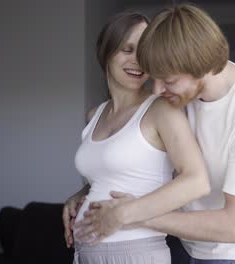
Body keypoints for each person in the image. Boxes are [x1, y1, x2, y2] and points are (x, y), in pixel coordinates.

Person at [72, 3, 235, 264]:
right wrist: (84, 197)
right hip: (182, 240)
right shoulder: (181, 87)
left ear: (199, 69)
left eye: (168, 81)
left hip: (229, 253)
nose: (158, 90)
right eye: (155, 78)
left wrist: (129, 214)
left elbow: (233, 226)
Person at [63, 10, 211, 264]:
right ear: (106, 51)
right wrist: (79, 195)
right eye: (127, 50)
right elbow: (119, 174)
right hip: (85, 254)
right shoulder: (94, 115)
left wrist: (124, 214)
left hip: (136, 253)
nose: (138, 62)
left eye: (144, 53)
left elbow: (196, 181)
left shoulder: (162, 109)